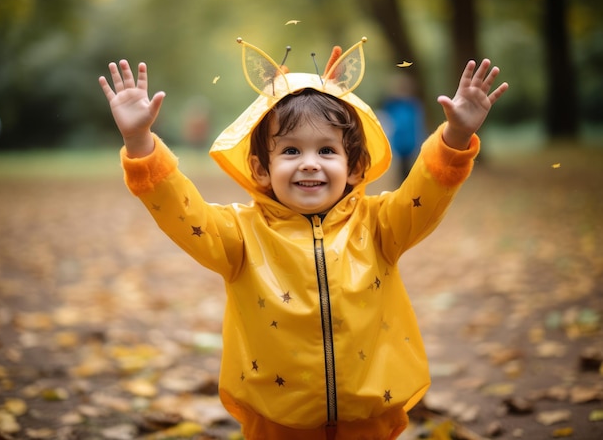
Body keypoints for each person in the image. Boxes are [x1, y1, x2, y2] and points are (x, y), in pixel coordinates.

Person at [99, 37, 508, 440]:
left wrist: (454, 137)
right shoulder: (240, 236)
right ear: (261, 169)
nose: (309, 163)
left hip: (368, 418)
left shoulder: (380, 225)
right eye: (291, 151)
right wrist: (140, 144)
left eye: (327, 150)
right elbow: (182, 212)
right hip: (276, 421)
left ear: (354, 166)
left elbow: (427, 190)